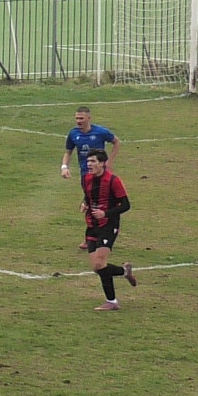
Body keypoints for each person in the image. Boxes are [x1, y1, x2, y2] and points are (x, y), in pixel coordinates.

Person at [81, 150, 136, 311]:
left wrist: (105, 213)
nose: (89, 164)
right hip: (92, 226)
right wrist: (85, 204)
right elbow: (88, 196)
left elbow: (126, 205)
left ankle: (111, 302)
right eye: (88, 161)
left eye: (93, 161)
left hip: (108, 225)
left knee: (99, 263)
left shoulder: (113, 181)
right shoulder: (86, 179)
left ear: (103, 163)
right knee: (97, 268)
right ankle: (124, 271)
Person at [61, 106, 120, 249]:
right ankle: (92, 237)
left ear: (89, 118)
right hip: (85, 175)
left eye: (81, 118)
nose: (78, 121)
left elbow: (116, 142)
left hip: (101, 174)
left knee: (98, 203)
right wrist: (64, 167)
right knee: (91, 203)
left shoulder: (100, 132)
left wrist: (109, 162)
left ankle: (99, 236)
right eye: (76, 118)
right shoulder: (73, 134)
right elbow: (68, 152)